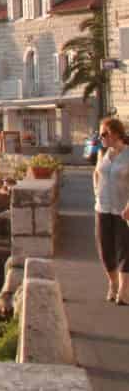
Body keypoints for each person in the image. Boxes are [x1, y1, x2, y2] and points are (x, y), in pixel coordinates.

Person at [93, 116, 129, 304]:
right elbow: (97, 173)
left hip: (123, 210)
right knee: (105, 249)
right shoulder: (102, 154)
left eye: (104, 134)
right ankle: (113, 283)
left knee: (125, 250)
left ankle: (123, 290)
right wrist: (96, 193)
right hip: (102, 208)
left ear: (116, 133)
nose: (101, 138)